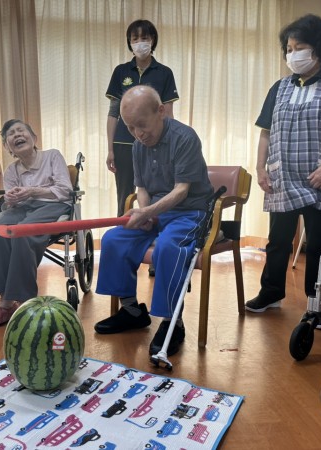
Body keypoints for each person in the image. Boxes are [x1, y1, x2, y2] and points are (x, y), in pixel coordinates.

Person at [245, 14, 321, 318]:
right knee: (278, 241)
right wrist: (260, 168)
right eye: (289, 49)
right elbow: (265, 132)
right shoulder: (279, 87)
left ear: (319, 49)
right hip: (282, 177)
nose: (292, 54)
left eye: (299, 47)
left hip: (320, 177)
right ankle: (271, 292)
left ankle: (319, 303)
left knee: (318, 245)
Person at [94, 85, 213, 357]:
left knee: (168, 247)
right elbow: (142, 189)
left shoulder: (185, 137)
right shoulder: (138, 146)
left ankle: (173, 323)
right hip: (158, 213)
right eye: (130, 127)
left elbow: (181, 191)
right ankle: (132, 311)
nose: (138, 133)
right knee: (113, 239)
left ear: (161, 111)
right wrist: (146, 214)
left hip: (191, 213)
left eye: (142, 125)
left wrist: (147, 213)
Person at [0, 119, 73, 327]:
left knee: (22, 231)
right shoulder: (11, 170)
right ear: (8, 147)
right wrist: (10, 198)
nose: (16, 135)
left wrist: (32, 191)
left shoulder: (52, 156)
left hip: (53, 205)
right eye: (11, 134)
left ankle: (22, 302)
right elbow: (10, 203)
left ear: (34, 137)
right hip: (24, 207)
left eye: (20, 130)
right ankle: (5, 299)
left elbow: (65, 190)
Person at [106, 19, 179, 217]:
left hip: (154, 142)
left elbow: (168, 113)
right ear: (129, 42)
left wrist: (170, 145)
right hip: (123, 143)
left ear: (152, 40)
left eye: (144, 38)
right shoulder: (121, 71)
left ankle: (155, 226)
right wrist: (110, 149)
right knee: (124, 195)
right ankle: (124, 229)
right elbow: (113, 113)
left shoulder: (164, 73)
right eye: (135, 38)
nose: (139, 42)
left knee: (155, 190)